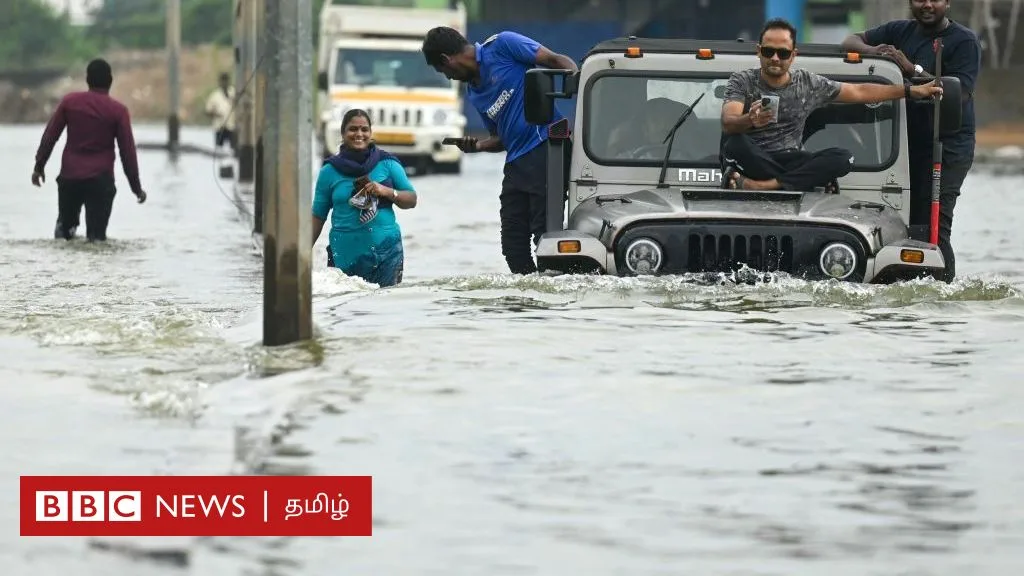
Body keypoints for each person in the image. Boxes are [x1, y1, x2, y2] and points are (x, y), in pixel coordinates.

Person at [841, 0, 981, 282]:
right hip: (906, 143)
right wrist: (875, 51)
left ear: (947, 3)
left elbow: (956, 94)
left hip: (948, 144)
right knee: (905, 221)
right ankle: (907, 283)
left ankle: (943, 288)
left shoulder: (964, 41)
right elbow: (849, 40)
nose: (927, 4)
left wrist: (911, 68)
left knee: (934, 223)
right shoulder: (899, 30)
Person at [720, 18, 943, 194]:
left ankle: (762, 186)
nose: (775, 58)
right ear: (759, 51)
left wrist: (910, 91)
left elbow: (859, 91)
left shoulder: (807, 83)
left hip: (790, 158)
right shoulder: (742, 80)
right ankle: (801, 182)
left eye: (783, 53)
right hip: (752, 157)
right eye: (769, 52)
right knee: (734, 143)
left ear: (793, 55)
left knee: (844, 158)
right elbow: (729, 123)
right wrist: (749, 119)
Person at [421, 27, 578, 275]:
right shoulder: (474, 93)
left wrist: (580, 87)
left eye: (444, 71)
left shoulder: (504, 46)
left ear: (446, 59)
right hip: (516, 163)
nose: (449, 77)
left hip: (546, 149)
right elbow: (500, 138)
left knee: (545, 235)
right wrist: (478, 146)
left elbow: (556, 60)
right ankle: (529, 299)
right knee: (513, 246)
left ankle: (557, 299)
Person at [32, 58, 147, 242]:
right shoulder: (118, 111)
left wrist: (39, 166)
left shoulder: (69, 102)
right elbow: (127, 152)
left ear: (87, 79)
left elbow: (50, 136)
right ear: (110, 80)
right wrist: (137, 188)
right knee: (96, 240)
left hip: (70, 178)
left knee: (64, 234)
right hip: (100, 182)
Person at [312, 109, 417, 288]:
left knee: (383, 307)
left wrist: (386, 191)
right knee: (345, 309)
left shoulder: (388, 164)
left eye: (364, 129)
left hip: (387, 254)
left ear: (370, 132)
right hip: (345, 256)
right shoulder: (329, 172)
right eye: (353, 129)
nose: (359, 134)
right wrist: (299, 257)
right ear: (343, 133)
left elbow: (411, 199)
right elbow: (317, 217)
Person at [205, 72, 237, 152]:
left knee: (233, 149)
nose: (224, 83)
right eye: (222, 81)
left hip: (232, 127)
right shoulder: (214, 95)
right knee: (219, 149)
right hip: (219, 126)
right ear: (219, 82)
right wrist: (216, 114)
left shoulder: (234, 93)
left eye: (226, 81)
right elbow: (208, 111)